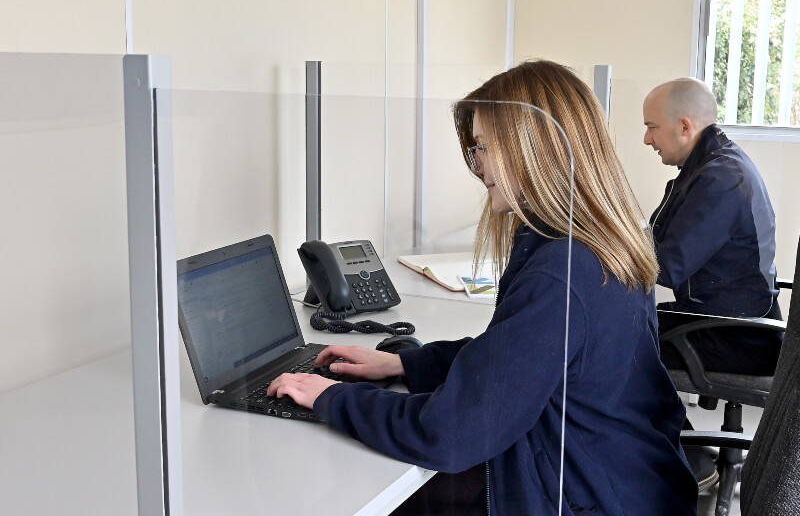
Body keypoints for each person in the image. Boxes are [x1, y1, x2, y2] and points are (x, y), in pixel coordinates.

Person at [269, 60, 698, 515]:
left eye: (487, 148)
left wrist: (330, 396)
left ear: (537, 151)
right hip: (618, 478)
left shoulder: (562, 270)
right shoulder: (590, 241)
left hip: (581, 495)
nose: (479, 167)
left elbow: (449, 433)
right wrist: (402, 363)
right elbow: (513, 356)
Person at [642, 77, 782, 490]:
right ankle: (685, 454)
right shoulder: (710, 164)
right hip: (727, 318)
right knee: (627, 328)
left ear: (685, 126)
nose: (646, 139)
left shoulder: (719, 178)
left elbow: (668, 265)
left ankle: (692, 460)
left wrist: (607, 248)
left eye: (652, 126)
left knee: (617, 346)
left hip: (738, 335)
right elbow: (662, 239)